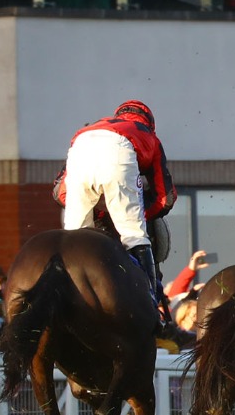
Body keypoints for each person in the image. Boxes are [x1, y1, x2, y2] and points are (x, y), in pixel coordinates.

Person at [62, 101, 176, 327]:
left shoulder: (93, 127)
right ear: (149, 123)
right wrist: (136, 214)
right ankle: (150, 306)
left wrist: (97, 211)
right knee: (134, 234)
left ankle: (65, 299)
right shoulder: (149, 136)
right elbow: (166, 198)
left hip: (79, 148)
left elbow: (60, 192)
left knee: (74, 238)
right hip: (119, 152)